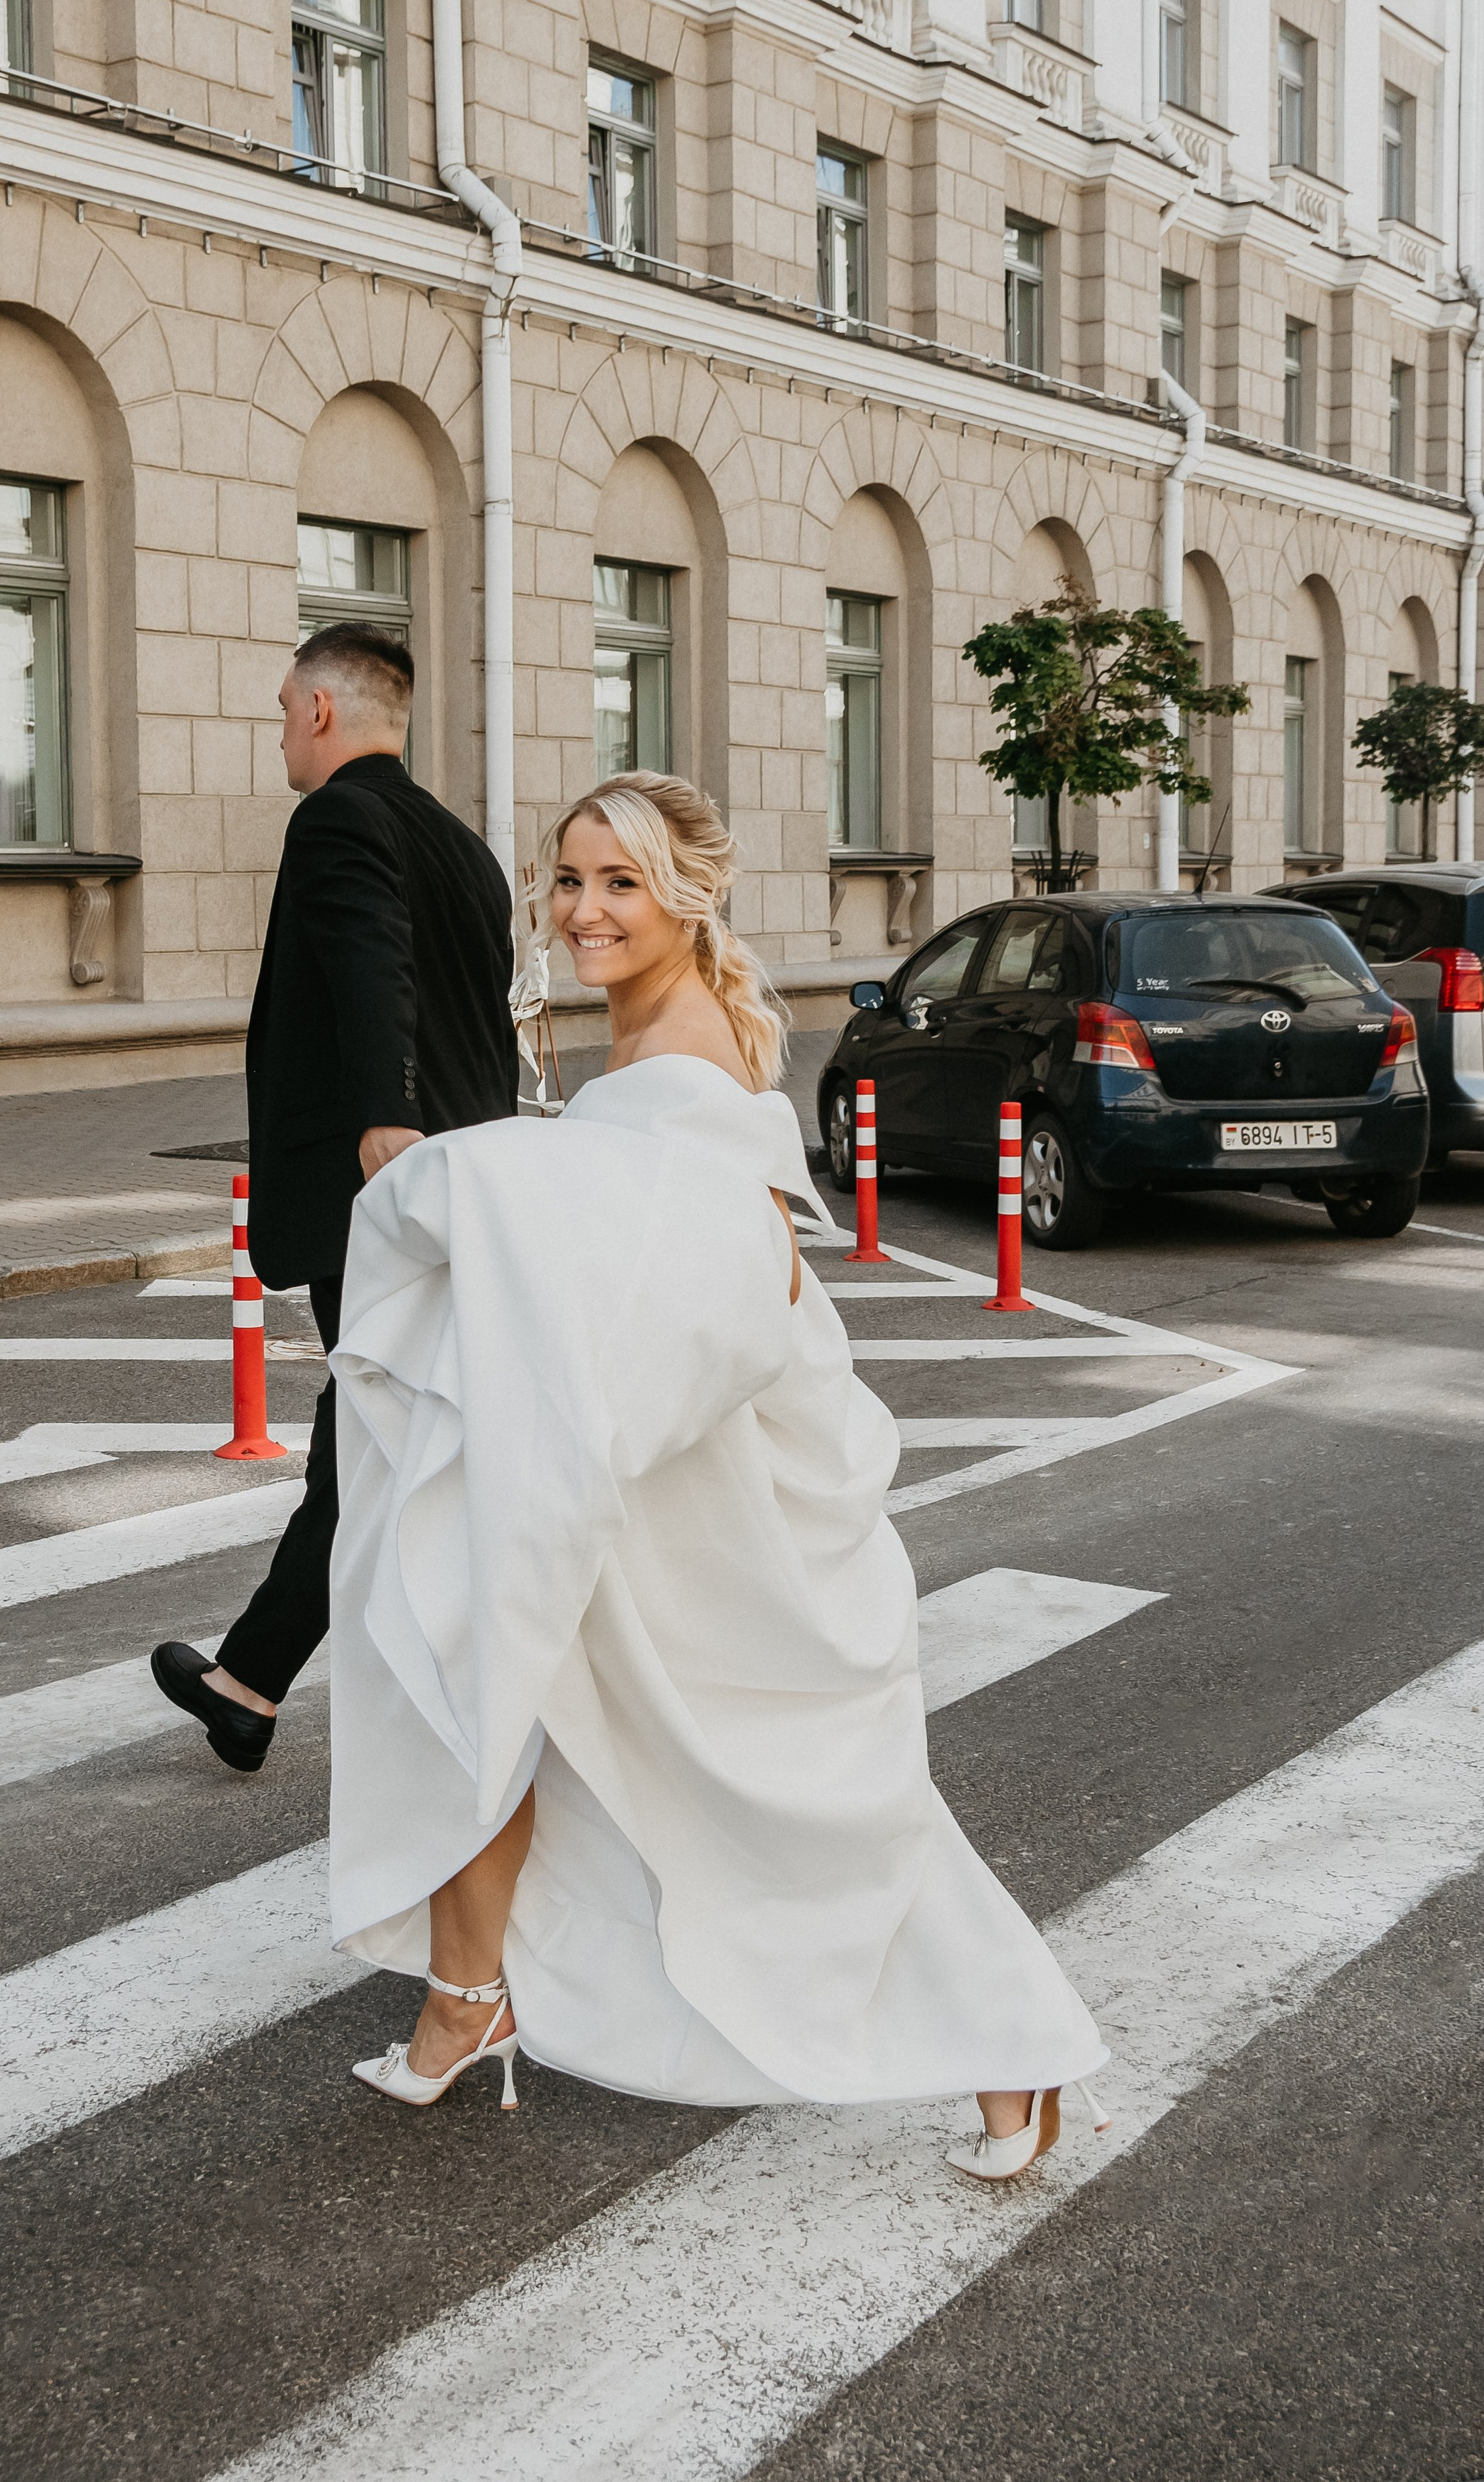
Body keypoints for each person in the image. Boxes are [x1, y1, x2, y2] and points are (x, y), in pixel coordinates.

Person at [324, 771, 1109, 2183]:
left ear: (689, 893)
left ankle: (1014, 2047)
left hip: (692, 1483)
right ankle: (464, 2004)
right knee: (496, 1691)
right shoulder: (647, 1044)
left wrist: (461, 1178)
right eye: (568, 881)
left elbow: (729, 1282)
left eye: (619, 883)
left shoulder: (680, 1053)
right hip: (637, 1453)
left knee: (764, 1788)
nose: (584, 912)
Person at [150, 619, 518, 1774]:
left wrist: (385, 1122)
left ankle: (279, 1683)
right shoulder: (460, 844)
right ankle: (250, 1682)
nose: (279, 737)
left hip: (389, 1189)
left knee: (381, 1435)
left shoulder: (337, 819)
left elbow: (375, 971)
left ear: (320, 711)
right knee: (376, 1432)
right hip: (462, 1179)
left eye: (280, 712)